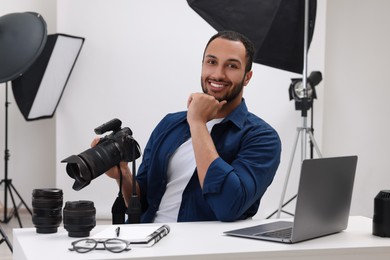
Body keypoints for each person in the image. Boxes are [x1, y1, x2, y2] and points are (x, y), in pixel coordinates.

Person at [92, 30, 281, 223]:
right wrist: (123, 174)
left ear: (247, 77)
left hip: (203, 248)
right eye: (211, 62)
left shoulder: (262, 138)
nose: (217, 74)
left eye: (231, 66)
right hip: (147, 240)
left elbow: (228, 207)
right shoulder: (170, 124)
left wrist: (198, 122)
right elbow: (141, 201)